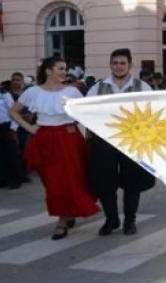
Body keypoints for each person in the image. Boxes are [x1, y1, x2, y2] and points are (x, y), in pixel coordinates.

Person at [9, 57, 99, 240]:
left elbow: (85, 113)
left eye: (65, 68)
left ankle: (62, 219)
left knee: (68, 180)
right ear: (48, 71)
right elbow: (14, 111)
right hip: (44, 139)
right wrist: (29, 128)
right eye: (60, 68)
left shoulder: (72, 91)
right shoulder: (33, 92)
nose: (64, 72)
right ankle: (66, 212)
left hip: (68, 138)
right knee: (50, 182)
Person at [86, 48, 156, 236]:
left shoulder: (143, 87)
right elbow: (85, 111)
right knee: (104, 182)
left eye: (122, 63)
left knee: (132, 182)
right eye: (115, 63)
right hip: (104, 140)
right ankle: (112, 219)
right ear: (110, 65)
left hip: (133, 140)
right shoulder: (97, 88)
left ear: (130, 65)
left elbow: (152, 112)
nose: (118, 67)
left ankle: (130, 221)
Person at [0, 75, 24, 189]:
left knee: (11, 155)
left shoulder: (4, 94)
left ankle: (16, 180)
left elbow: (14, 111)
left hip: (7, 127)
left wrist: (13, 128)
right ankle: (4, 179)